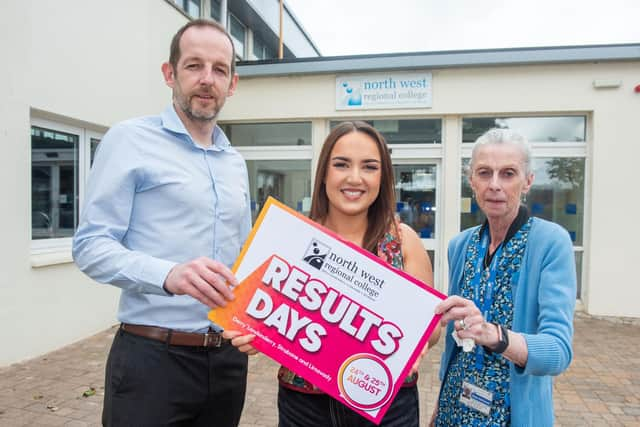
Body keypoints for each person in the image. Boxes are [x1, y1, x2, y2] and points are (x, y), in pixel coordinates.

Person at [72, 19, 251, 427]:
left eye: (219, 69)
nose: (207, 80)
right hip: (152, 360)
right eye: (194, 66)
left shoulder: (235, 162)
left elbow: (245, 259)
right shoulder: (128, 140)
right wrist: (168, 274)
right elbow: (91, 246)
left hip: (226, 363)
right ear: (169, 73)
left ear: (232, 83)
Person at [225, 121, 440, 427]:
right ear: (324, 172)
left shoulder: (403, 241)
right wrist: (252, 336)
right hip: (304, 406)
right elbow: (260, 312)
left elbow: (432, 332)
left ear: (383, 177)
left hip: (385, 404)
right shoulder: (291, 238)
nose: (355, 178)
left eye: (369, 167)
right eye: (341, 164)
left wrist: (416, 342)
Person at [431, 128, 576, 426]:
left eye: (508, 173)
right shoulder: (461, 245)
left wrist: (493, 335)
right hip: (454, 408)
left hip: (512, 414)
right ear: (471, 181)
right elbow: (452, 341)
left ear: (528, 181)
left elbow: (558, 351)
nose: (494, 185)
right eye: (484, 173)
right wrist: (438, 407)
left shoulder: (550, 243)